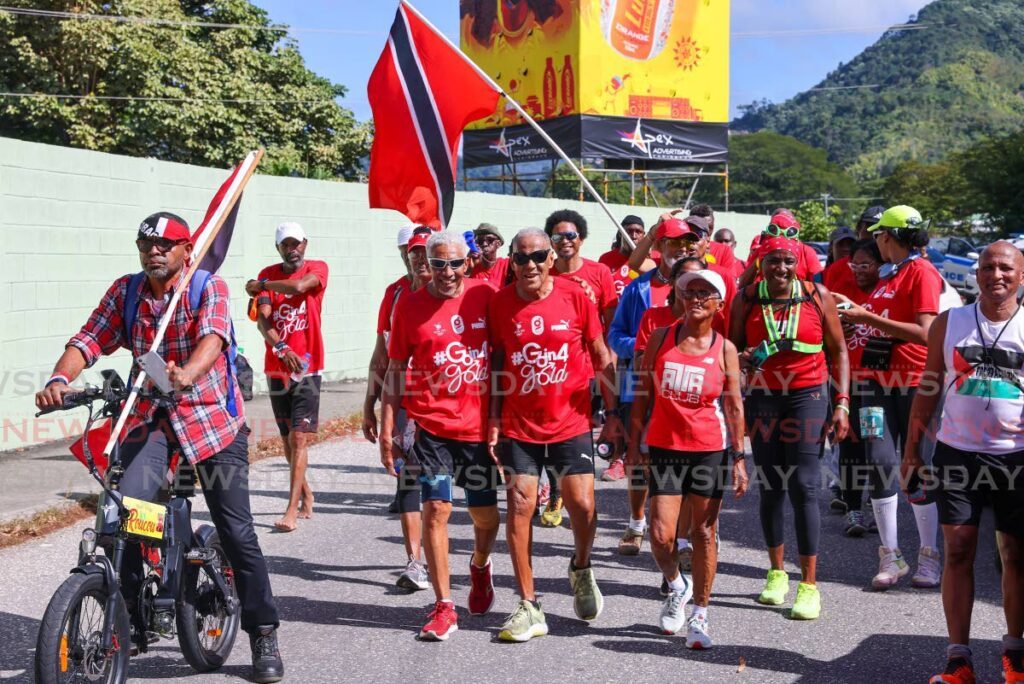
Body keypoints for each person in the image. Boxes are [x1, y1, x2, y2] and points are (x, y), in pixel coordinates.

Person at [36, 212, 284, 682]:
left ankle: (262, 629)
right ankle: (124, 615)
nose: (156, 250)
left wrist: (189, 372)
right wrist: (59, 378)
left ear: (187, 249)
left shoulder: (207, 286)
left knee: (236, 531)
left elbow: (214, 337)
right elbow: (89, 339)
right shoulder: (126, 292)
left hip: (211, 424)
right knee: (125, 515)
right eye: (147, 243)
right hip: (149, 418)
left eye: (167, 243)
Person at [488, 228, 623, 642]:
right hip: (519, 426)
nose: (529, 264)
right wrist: (493, 420)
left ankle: (580, 567)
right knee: (520, 505)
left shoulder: (576, 296)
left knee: (582, 505)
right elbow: (495, 365)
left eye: (537, 256)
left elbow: (601, 356)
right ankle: (529, 604)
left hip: (571, 421)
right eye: (521, 257)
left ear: (550, 259)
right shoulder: (500, 305)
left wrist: (614, 413)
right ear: (511, 262)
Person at [904, 242, 1024, 684]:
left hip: (1017, 457)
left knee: (1014, 553)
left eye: (1006, 268)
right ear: (976, 274)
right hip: (957, 452)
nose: (997, 274)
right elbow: (929, 388)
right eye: (988, 266)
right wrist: (912, 451)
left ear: (1021, 275)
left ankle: (1015, 654)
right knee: (957, 550)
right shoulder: (949, 323)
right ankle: (959, 660)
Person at [380, 231, 501, 642]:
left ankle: (480, 565)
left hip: (479, 430)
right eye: (438, 264)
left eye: (454, 263)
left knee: (485, 515)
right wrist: (386, 426)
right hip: (431, 427)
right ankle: (444, 605)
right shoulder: (409, 306)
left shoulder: (485, 296)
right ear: (424, 266)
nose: (447, 272)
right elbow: (395, 368)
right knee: (437, 510)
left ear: (467, 263)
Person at [730, 235, 850, 621]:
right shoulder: (746, 297)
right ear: (760, 263)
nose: (780, 268)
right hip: (764, 398)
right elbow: (729, 348)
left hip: (808, 397)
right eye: (772, 261)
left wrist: (843, 402)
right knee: (771, 487)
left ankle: (810, 584)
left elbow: (839, 351)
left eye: (787, 261)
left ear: (797, 262)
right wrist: (744, 357)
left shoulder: (817, 296)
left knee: (803, 486)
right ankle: (776, 573)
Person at [628, 268, 748, 648]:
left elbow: (734, 407)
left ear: (719, 303)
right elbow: (642, 394)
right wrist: (634, 442)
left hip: (709, 451)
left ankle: (700, 613)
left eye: (704, 293)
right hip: (665, 449)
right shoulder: (662, 338)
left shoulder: (724, 348)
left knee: (703, 533)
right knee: (661, 535)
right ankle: (677, 586)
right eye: (689, 292)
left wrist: (739, 457)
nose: (695, 299)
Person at [832, 206, 944, 590]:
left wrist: (866, 317)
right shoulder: (886, 274)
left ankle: (929, 557)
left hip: (915, 383)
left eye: (878, 234)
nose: (874, 239)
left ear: (889, 237)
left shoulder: (923, 272)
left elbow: (927, 333)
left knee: (917, 468)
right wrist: (851, 316)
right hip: (873, 384)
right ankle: (890, 555)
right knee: (878, 462)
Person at [610, 217, 734, 558]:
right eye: (674, 243)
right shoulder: (641, 291)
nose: (680, 249)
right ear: (659, 248)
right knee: (639, 464)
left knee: (683, 469)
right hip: (640, 388)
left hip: (691, 397)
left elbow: (723, 342)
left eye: (686, 243)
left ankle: (690, 537)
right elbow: (615, 335)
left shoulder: (706, 294)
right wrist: (640, 349)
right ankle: (637, 523)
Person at [362, 226, 433, 591]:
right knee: (408, 479)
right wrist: (369, 404)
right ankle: (415, 562)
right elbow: (382, 354)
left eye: (424, 251)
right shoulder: (394, 295)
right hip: (404, 403)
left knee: (442, 489)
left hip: (448, 408)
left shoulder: (456, 292)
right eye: (412, 251)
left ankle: (469, 558)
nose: (418, 258)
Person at [245, 222, 328, 533]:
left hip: (309, 365)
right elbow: (263, 322)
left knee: (299, 438)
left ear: (304, 244)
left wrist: (264, 284)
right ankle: (306, 493)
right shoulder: (268, 272)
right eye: (285, 245)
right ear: (277, 248)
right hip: (277, 366)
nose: (291, 249)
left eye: (296, 243)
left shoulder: (317, 268)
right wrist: (280, 347)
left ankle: (291, 507)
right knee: (286, 440)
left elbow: (298, 288)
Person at [830, 239, 884, 536]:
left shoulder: (887, 291)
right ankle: (854, 509)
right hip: (845, 380)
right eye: (855, 265)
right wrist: (838, 329)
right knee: (850, 446)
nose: (859, 271)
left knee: (875, 448)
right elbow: (824, 333)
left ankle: (878, 507)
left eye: (866, 265)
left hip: (877, 383)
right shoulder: (843, 290)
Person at [740, 211, 823, 287]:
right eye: (774, 229)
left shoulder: (807, 251)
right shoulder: (762, 250)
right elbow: (743, 285)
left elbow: (818, 285)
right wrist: (759, 260)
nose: (782, 269)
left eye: (789, 261)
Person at [599, 214, 654, 297]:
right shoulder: (606, 259)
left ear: (644, 235)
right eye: (629, 231)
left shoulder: (650, 261)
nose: (634, 236)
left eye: (638, 232)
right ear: (621, 234)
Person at [469, 223, 510, 289]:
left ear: (498, 244)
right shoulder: (471, 265)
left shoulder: (506, 265)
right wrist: (469, 267)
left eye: (490, 240)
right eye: (480, 241)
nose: (484, 244)